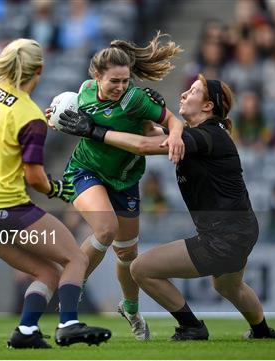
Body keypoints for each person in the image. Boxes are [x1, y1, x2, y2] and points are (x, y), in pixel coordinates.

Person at [58, 74, 275, 340]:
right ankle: (262, 331)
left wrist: (93, 131)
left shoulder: (206, 136)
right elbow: (147, 133)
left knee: (140, 268)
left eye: (194, 91)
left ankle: (192, 326)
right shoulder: (201, 134)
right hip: (241, 230)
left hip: (223, 237)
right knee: (229, 286)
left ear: (208, 106)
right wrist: (148, 113)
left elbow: (143, 146)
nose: (185, 94)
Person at [0, 38, 111, 348]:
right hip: (8, 209)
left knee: (47, 272)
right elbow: (35, 177)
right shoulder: (30, 114)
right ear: (40, 69)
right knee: (75, 257)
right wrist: (58, 190)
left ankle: (25, 332)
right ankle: (69, 323)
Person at [48, 31, 185, 341]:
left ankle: (131, 309)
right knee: (105, 230)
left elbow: (172, 121)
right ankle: (74, 283)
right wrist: (52, 118)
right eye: (114, 81)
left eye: (125, 80)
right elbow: (59, 116)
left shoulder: (135, 100)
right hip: (85, 171)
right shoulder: (81, 93)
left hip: (125, 179)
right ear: (96, 77)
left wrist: (174, 134)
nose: (121, 87)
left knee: (127, 256)